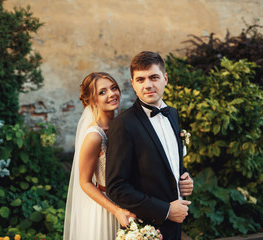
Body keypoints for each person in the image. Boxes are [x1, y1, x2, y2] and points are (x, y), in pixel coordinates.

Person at [106, 51, 194, 240]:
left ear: (165, 79)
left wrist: (185, 178)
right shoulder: (123, 125)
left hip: (176, 225)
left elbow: (168, 160)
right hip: (148, 228)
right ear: (133, 84)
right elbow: (116, 187)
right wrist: (165, 210)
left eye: (154, 77)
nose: (148, 85)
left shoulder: (173, 114)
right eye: (140, 79)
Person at [63, 72, 135, 240]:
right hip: (106, 210)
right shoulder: (94, 136)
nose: (111, 94)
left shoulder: (124, 125)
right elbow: (85, 182)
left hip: (130, 202)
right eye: (102, 92)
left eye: (114, 88)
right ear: (91, 100)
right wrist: (117, 211)